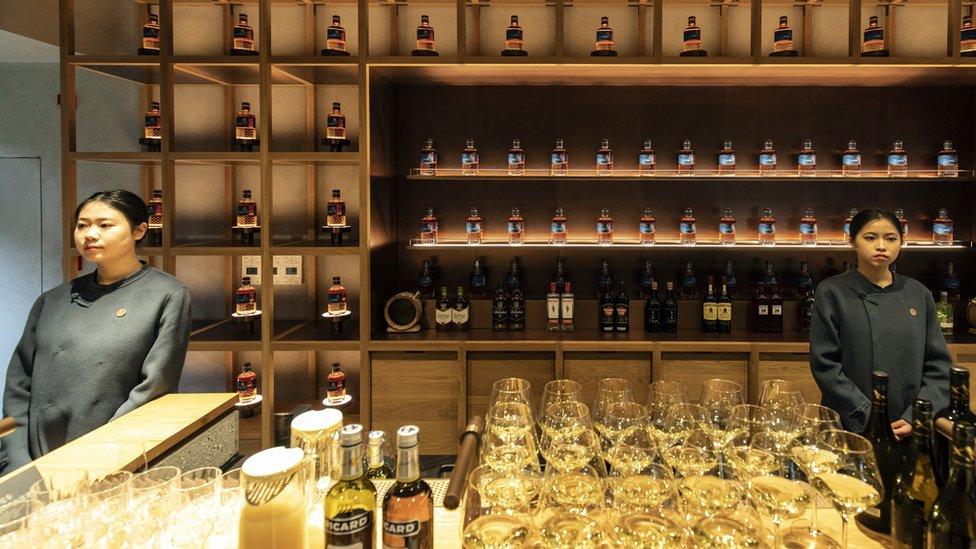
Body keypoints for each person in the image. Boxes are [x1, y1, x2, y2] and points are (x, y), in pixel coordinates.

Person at [1, 190, 191, 474]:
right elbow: (18, 386)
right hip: (36, 465)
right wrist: (17, 463)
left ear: (140, 230)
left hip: (112, 463)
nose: (89, 235)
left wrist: (96, 458)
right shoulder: (52, 300)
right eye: (82, 225)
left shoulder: (167, 295)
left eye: (105, 225)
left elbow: (153, 390)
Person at [810, 208, 950, 438]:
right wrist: (868, 414)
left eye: (891, 238)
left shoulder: (918, 294)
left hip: (907, 425)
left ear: (901, 243)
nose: (881, 246)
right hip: (850, 422)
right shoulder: (832, 291)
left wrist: (916, 415)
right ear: (852, 241)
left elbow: (938, 366)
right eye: (870, 237)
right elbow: (825, 365)